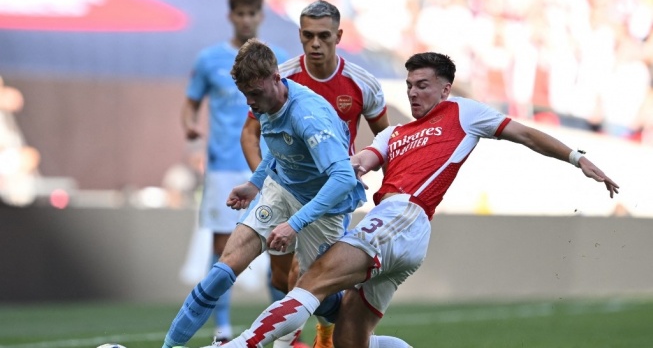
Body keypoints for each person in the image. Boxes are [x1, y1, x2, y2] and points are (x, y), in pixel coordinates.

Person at [221, 52, 620, 348]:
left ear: (445, 88)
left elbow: (526, 135)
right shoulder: (392, 134)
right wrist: (333, 165)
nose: (413, 92)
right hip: (395, 226)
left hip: (405, 215)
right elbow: (358, 162)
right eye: (409, 85)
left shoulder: (462, 112)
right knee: (349, 338)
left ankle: (240, 345)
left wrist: (577, 157)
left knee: (313, 278)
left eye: (422, 85)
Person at [162, 38, 367, 348]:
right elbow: (279, 147)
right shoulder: (266, 101)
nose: (250, 104)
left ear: (276, 78)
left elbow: (342, 179)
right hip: (281, 189)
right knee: (222, 270)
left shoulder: (308, 117)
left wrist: (295, 223)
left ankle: (366, 333)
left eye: (254, 94)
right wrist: (255, 183)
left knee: (319, 299)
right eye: (245, 95)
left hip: (324, 208)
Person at [240, 0, 389, 348]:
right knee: (281, 276)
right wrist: (264, 182)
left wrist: (374, 173)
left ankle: (307, 339)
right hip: (286, 189)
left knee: (309, 274)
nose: (315, 44)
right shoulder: (281, 76)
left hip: (330, 195)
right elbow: (250, 133)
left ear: (339, 35)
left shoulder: (361, 83)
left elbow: (386, 137)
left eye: (324, 36)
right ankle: (321, 328)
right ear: (300, 35)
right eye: (308, 36)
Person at [178, 0, 288, 343]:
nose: (246, 20)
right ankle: (222, 331)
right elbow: (190, 102)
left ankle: (282, 328)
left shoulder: (279, 60)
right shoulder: (210, 59)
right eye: (240, 14)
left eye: (252, 14)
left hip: (267, 164)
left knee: (278, 247)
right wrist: (189, 125)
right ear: (231, 17)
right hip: (224, 166)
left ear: (261, 17)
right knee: (225, 250)